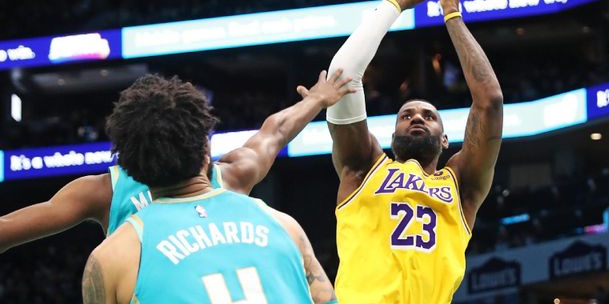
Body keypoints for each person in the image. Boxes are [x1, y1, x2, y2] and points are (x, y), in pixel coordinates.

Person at [326, 0, 504, 303]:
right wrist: (393, 5)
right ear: (391, 136)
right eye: (406, 115)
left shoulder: (462, 187)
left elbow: (490, 101)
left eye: (428, 115)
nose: (417, 118)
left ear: (444, 140)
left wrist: (451, 11)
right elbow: (342, 75)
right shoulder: (362, 169)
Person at [0, 68, 352, 251]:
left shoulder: (104, 190)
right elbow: (274, 132)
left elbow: (9, 230)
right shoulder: (230, 176)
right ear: (203, 144)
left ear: (126, 148)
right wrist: (316, 100)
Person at [82, 74, 335, 304]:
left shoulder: (111, 258)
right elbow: (275, 131)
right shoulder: (283, 225)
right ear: (206, 150)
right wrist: (316, 99)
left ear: (128, 167)